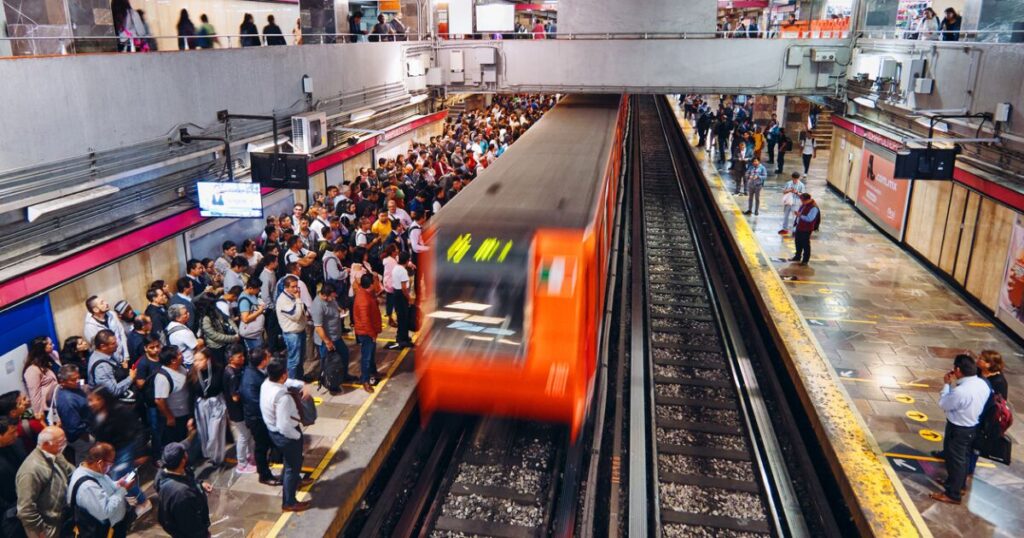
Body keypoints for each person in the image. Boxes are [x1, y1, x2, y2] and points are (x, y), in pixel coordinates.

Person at [930, 354, 990, 505]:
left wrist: (946, 385)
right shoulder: (983, 384)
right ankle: (957, 485)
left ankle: (953, 494)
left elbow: (944, 404)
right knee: (961, 459)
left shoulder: (961, 391)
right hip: (971, 427)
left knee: (954, 460)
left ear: (957, 370)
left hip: (958, 429)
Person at [260, 358, 311, 512]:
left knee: (289, 463)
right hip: (286, 435)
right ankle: (289, 501)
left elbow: (288, 382)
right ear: (283, 375)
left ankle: (292, 481)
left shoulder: (266, 384)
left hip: (272, 431)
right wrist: (296, 436)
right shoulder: (282, 398)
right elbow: (284, 426)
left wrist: (302, 385)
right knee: (292, 467)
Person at [86, 387, 148, 515]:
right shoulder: (95, 414)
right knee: (115, 478)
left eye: (95, 399)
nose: (91, 403)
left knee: (120, 477)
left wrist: (140, 452)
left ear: (103, 399)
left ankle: (143, 502)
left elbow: (137, 430)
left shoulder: (121, 411)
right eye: (90, 400)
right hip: (110, 452)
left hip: (125, 448)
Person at [15, 426, 75, 538]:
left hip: (62, 519)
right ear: (47, 444)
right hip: (47, 527)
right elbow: (25, 509)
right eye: (61, 442)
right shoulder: (30, 470)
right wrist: (40, 531)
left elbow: (71, 471)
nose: (65, 444)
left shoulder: (56, 454)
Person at [66, 442, 134, 538]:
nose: (110, 467)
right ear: (100, 463)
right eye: (110, 463)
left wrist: (117, 484)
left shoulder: (95, 472)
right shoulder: (87, 487)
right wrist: (123, 490)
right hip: (106, 532)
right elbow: (105, 511)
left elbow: (101, 489)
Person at [240, 348, 282, 485]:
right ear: (263, 360)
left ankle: (275, 459)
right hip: (257, 419)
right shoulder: (251, 379)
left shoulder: (257, 371)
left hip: (262, 417)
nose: (270, 357)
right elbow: (255, 403)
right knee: (261, 447)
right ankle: (264, 474)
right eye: (268, 356)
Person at [154, 441, 212, 538]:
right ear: (182, 460)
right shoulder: (182, 494)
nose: (187, 452)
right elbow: (191, 526)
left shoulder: (163, 473)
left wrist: (200, 484)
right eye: (185, 452)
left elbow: (188, 479)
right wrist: (204, 534)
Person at [187, 349, 227, 466]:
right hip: (201, 406)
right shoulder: (192, 374)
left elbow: (224, 389)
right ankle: (211, 456)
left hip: (217, 404)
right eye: (195, 360)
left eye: (200, 360)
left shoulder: (219, 370)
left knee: (215, 432)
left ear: (208, 359)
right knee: (204, 433)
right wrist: (191, 417)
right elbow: (190, 396)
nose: (197, 363)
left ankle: (218, 457)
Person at [312, 283, 351, 389]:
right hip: (327, 340)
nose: (334, 298)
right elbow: (318, 327)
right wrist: (327, 342)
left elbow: (335, 304)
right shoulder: (318, 306)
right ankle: (330, 384)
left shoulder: (330, 299)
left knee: (344, 355)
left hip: (336, 336)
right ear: (324, 295)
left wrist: (340, 310)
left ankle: (344, 376)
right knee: (329, 364)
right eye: (332, 296)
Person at [223, 345, 255, 474]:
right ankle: (241, 463)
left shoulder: (234, 370)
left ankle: (249, 456)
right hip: (237, 411)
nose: (243, 358)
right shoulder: (232, 375)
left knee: (247, 435)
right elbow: (235, 397)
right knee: (243, 436)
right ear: (231, 359)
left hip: (239, 410)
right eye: (239, 357)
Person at [154, 346, 192, 451]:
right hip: (175, 418)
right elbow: (159, 400)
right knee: (176, 444)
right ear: (173, 360)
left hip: (185, 412)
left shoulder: (181, 367)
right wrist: (169, 417)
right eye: (180, 354)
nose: (182, 355)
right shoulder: (163, 377)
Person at [53, 365, 93, 464]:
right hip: (82, 437)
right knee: (85, 461)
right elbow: (74, 428)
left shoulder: (73, 388)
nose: (78, 381)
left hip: (88, 428)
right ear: (63, 382)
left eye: (78, 378)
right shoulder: (67, 401)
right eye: (73, 380)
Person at [87, 330, 136, 400]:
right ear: (103, 346)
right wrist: (131, 378)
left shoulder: (106, 354)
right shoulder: (102, 367)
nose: (117, 345)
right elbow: (113, 391)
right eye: (113, 343)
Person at [277, 276, 308, 380]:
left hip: (300, 331)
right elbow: (296, 315)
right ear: (286, 287)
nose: (296, 289)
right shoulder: (283, 300)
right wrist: (299, 299)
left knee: (300, 359)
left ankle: (299, 379)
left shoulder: (292, 296)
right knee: (294, 361)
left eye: (297, 286)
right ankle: (291, 384)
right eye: (293, 287)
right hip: (292, 334)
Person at [0, 417, 27, 538]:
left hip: (24, 501)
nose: (16, 435)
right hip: (8, 513)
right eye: (11, 433)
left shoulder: (17, 444)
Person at [22, 337, 60, 421]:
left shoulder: (53, 355)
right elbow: (35, 394)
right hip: (49, 408)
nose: (53, 345)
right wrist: (39, 415)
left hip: (59, 398)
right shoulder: (32, 370)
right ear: (42, 348)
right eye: (50, 344)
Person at [83, 295, 129, 362]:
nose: (106, 303)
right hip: (110, 362)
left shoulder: (112, 314)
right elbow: (99, 349)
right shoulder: (90, 327)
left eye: (104, 301)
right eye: (102, 303)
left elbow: (121, 334)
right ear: (95, 309)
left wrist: (126, 357)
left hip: (123, 357)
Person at [387, 252, 415, 350]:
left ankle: (402, 337)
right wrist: (409, 299)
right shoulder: (403, 271)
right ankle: (403, 340)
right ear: (407, 261)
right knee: (404, 318)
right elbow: (404, 288)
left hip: (396, 294)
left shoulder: (396, 268)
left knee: (401, 317)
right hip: (401, 296)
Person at [167, 304, 202, 369]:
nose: (188, 314)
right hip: (189, 363)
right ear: (178, 318)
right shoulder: (184, 332)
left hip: (182, 362)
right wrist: (201, 341)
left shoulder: (170, 325)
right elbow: (197, 347)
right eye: (185, 313)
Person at [791, 193, 820, 266]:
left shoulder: (813, 208)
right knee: (798, 242)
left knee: (805, 244)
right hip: (799, 226)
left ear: (807, 200)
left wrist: (800, 215)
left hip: (806, 229)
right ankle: (797, 256)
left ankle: (805, 260)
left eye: (802, 201)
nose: (802, 202)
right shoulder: (804, 204)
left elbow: (810, 219)